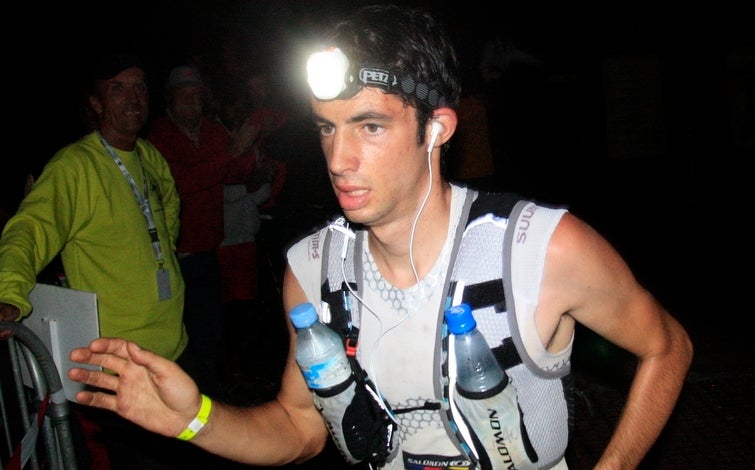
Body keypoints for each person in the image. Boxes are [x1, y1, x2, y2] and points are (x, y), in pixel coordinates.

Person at [69, 5, 693, 470]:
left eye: (369, 126)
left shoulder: (538, 249)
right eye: (326, 128)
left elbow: (667, 347)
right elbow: (299, 426)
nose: (338, 158)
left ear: (436, 129)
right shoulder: (311, 270)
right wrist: (193, 419)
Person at [0, 52, 198, 468]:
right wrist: (9, 294)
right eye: (118, 88)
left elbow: (170, 213)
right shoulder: (76, 166)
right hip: (119, 367)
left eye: (140, 86)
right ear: (95, 102)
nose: (133, 98)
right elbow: (29, 229)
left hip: (172, 351)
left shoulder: (149, 156)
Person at [148, 64, 272, 399]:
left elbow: (233, 173)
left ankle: (214, 393)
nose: (191, 103)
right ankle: (190, 399)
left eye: (196, 96)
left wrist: (248, 146)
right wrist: (232, 153)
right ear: (170, 101)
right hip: (176, 255)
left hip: (209, 248)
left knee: (214, 327)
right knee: (185, 332)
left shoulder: (212, 132)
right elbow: (180, 183)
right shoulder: (158, 137)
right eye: (183, 96)